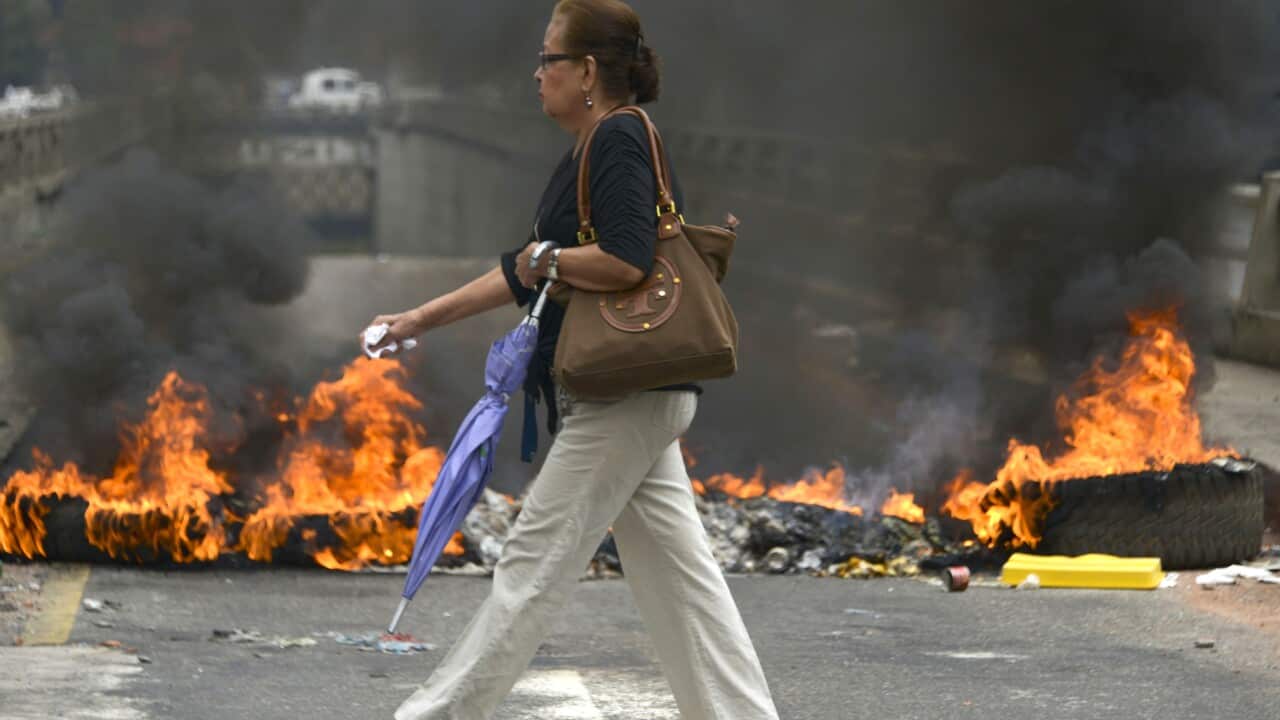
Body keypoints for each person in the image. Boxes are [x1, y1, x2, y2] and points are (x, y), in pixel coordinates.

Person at [368, 2, 780, 718]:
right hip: (639, 394)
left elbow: (624, 258)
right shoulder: (591, 148)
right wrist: (419, 319)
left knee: (529, 564)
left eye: (548, 60)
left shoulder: (617, 139)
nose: (536, 75)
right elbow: (521, 271)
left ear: (587, 71)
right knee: (685, 586)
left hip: (624, 397)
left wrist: (549, 256)